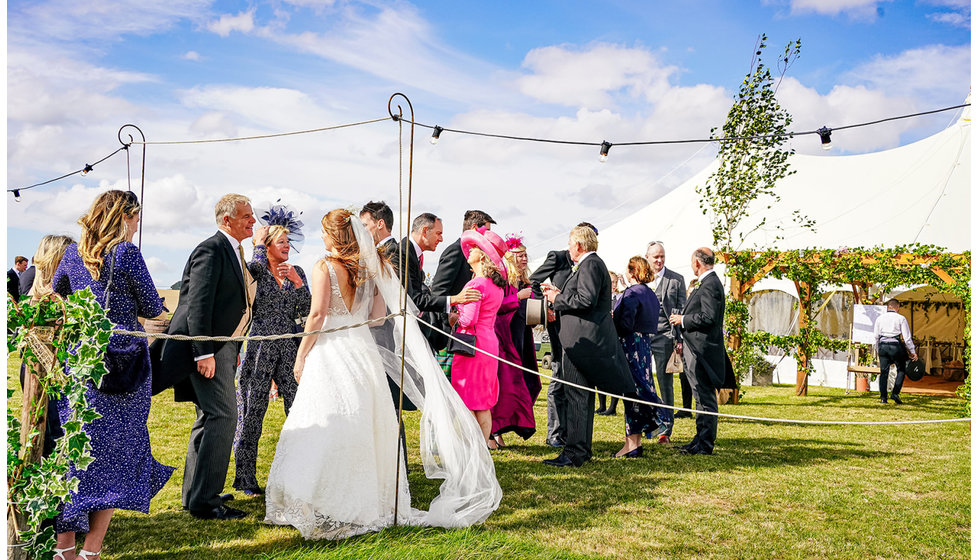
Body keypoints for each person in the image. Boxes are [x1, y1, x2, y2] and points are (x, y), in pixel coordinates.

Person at [264, 209, 501, 539]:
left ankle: (321, 498)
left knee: (328, 419)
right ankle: (361, 501)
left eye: (323, 232)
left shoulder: (323, 266)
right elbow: (376, 320)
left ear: (334, 236)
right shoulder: (371, 267)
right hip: (363, 353)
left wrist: (301, 355)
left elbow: (316, 315)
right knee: (363, 424)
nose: (320, 237)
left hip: (332, 350)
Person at [51, 190, 174, 560]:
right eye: (135, 219)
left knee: (79, 453)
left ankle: (65, 549)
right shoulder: (126, 253)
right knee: (118, 455)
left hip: (81, 366)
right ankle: (92, 551)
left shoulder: (72, 254)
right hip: (124, 370)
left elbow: (57, 294)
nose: (137, 226)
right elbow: (153, 306)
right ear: (124, 217)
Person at [158, 193, 256, 520]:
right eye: (246, 216)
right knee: (223, 417)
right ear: (227, 220)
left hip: (222, 349)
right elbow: (197, 304)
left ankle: (196, 495)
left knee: (208, 417)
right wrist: (204, 352)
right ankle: (206, 501)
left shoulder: (233, 251)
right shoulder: (211, 249)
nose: (253, 221)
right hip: (205, 351)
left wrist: (232, 351)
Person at [541, 225, 634, 467]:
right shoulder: (589, 265)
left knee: (576, 396)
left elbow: (586, 299)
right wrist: (560, 292)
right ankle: (580, 449)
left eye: (571, 244)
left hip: (582, 343)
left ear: (579, 245)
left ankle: (575, 452)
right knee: (580, 396)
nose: (568, 249)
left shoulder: (590, 264)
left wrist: (556, 299)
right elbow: (583, 296)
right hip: (580, 341)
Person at [233, 213, 311, 497]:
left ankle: (300, 471)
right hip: (259, 347)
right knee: (252, 410)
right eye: (281, 242)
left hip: (290, 348)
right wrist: (256, 245)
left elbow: (307, 310)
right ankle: (245, 479)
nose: (287, 246)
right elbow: (248, 271)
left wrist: (299, 284)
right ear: (266, 245)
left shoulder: (298, 271)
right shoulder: (257, 270)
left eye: (288, 242)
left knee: (298, 407)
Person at [529, 221, 595, 448]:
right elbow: (534, 281)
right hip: (557, 326)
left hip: (577, 329)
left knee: (574, 380)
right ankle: (555, 433)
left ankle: (572, 431)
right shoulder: (557, 257)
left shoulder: (588, 265)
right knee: (558, 376)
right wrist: (546, 309)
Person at [450, 229, 507, 449]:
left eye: (473, 248)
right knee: (483, 402)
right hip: (489, 342)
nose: (469, 251)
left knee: (466, 400)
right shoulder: (496, 287)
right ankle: (482, 447)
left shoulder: (476, 285)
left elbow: (469, 319)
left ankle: (468, 449)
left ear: (482, 255)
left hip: (471, 346)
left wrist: (453, 316)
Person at [612, 257, 673, 457]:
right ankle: (633, 444)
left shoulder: (631, 294)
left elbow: (626, 325)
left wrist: (614, 320)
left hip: (631, 345)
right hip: (645, 346)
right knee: (638, 390)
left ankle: (637, 439)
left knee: (633, 393)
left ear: (632, 272)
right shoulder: (650, 294)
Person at [669, 247, 726, 455]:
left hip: (702, 350)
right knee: (699, 396)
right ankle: (699, 438)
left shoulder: (710, 284)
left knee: (705, 396)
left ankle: (705, 443)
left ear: (697, 263)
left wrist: (682, 319)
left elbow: (709, 317)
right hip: (694, 346)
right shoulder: (708, 283)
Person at [489, 235, 542, 448]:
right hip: (504, 339)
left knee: (524, 382)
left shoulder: (526, 282)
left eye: (526, 254)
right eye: (519, 255)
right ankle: (493, 432)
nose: (524, 258)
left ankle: (502, 431)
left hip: (522, 337)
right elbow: (497, 305)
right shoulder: (504, 281)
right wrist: (518, 296)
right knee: (505, 385)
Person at [645, 241, 689, 427]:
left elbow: (683, 306)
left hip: (665, 336)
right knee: (644, 381)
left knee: (665, 383)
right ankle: (648, 422)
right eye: (656, 257)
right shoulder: (640, 277)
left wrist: (678, 335)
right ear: (647, 257)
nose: (659, 260)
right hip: (643, 336)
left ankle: (667, 426)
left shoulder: (676, 279)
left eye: (662, 256)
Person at [430, 210, 497, 299]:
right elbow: (439, 291)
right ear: (474, 228)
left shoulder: (477, 254)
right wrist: (449, 312)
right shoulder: (455, 250)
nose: (488, 236)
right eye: (487, 231)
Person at [873, 299, 917, 404]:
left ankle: (883, 397)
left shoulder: (880, 318)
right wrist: (912, 350)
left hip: (883, 345)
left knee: (884, 372)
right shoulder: (901, 318)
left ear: (888, 307)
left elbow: (875, 336)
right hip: (895, 346)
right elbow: (907, 338)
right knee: (901, 369)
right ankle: (895, 393)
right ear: (897, 307)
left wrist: (877, 349)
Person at [597, 270, 623, 416]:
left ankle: (612, 407)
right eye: (610, 282)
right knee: (601, 373)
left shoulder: (620, 297)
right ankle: (602, 405)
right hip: (602, 337)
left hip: (616, 337)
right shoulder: (602, 297)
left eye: (615, 282)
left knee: (614, 373)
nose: (613, 285)